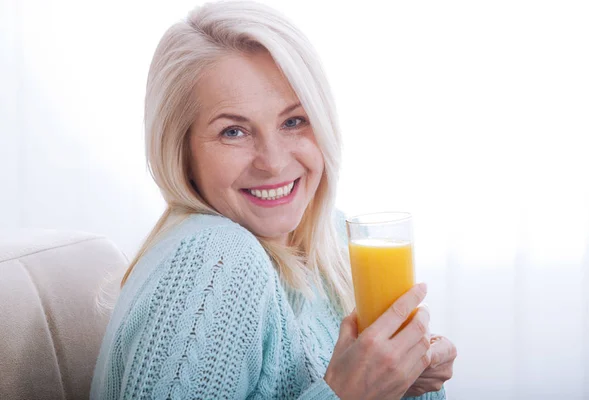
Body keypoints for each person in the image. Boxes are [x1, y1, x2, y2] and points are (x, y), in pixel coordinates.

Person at [90, 1, 457, 399]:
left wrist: (407, 378)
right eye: (233, 131)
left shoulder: (331, 238)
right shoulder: (216, 259)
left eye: (293, 121)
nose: (274, 162)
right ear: (181, 152)